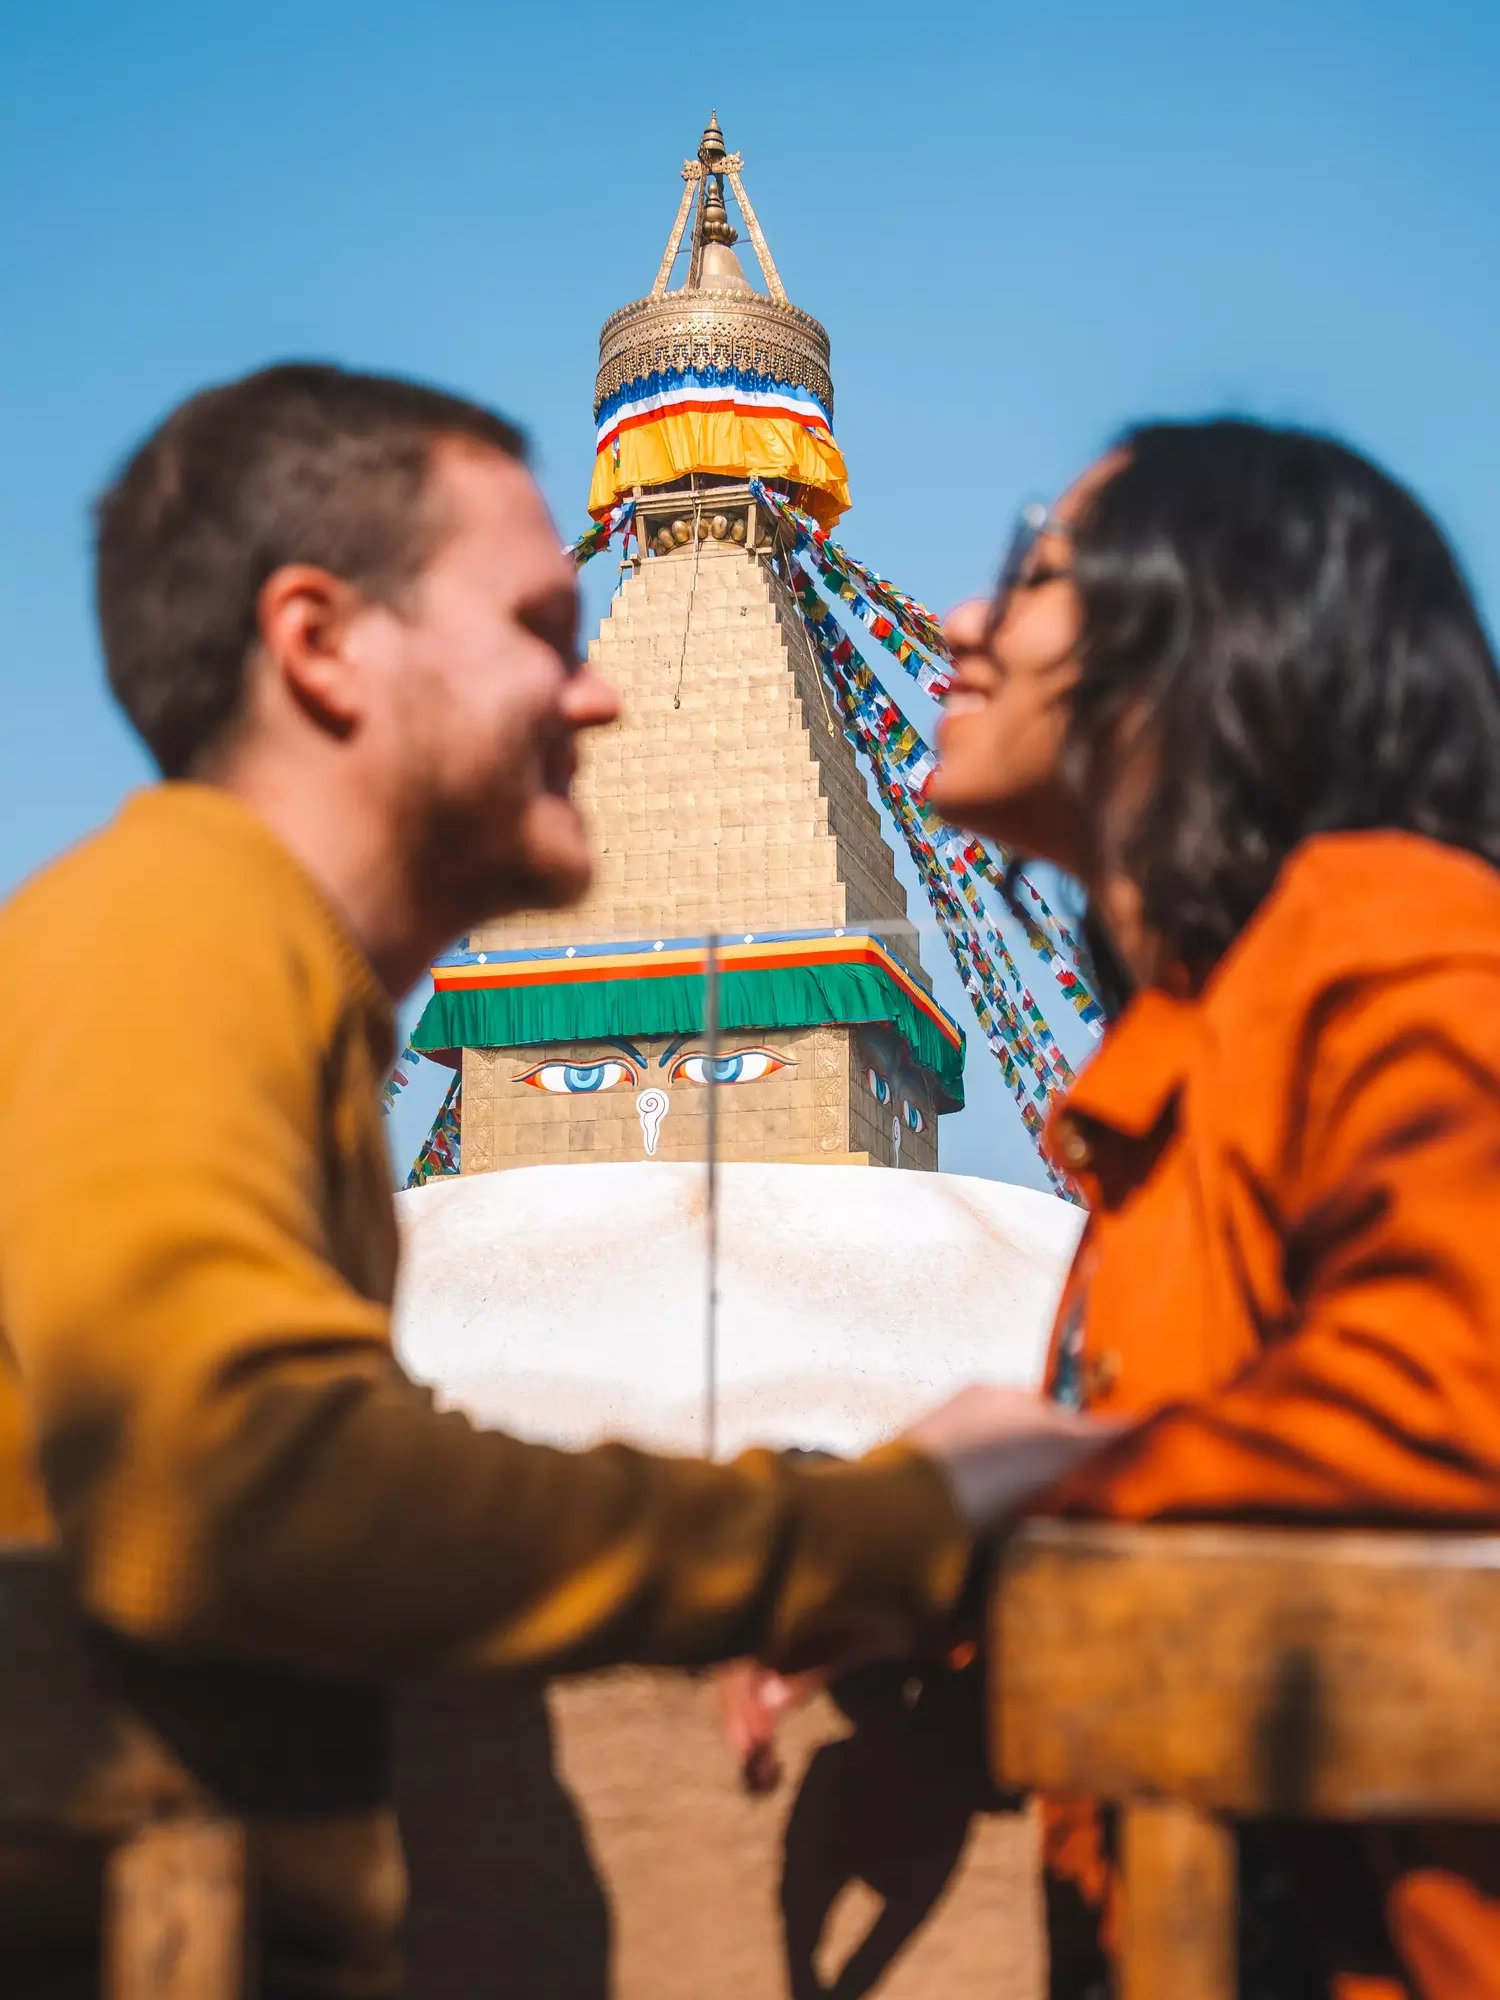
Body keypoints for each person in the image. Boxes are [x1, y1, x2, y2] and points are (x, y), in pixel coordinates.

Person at [0, 362, 1121, 1999]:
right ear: (319, 644)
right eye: (539, 624)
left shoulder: (245, 979)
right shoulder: (175, 932)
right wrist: (855, 1531)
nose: (596, 692)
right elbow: (235, 1485)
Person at [732, 418, 1500, 2000]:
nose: (960, 621)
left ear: (1220, 633)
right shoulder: (1178, 1080)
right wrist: (971, 1656)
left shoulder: (1413, 955)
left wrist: (1015, 1492)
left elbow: (1451, 1403)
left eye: (1037, 571)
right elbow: (1259, 1504)